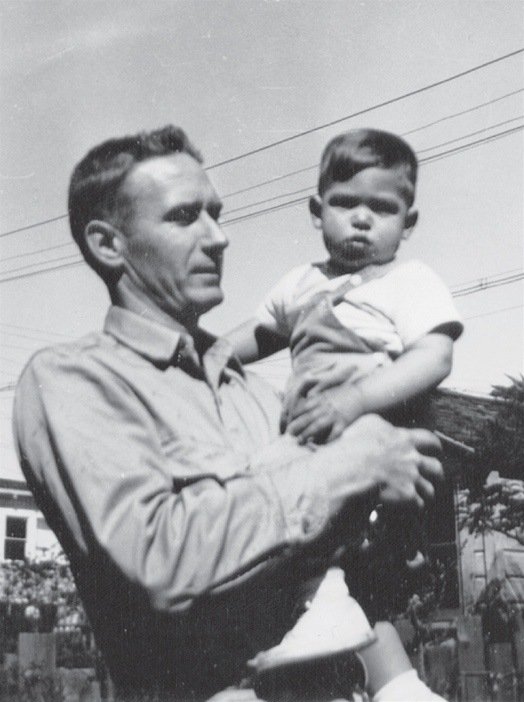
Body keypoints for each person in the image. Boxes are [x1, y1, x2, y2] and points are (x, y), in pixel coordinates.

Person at [14, 125, 445, 702]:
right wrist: (349, 468)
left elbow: (338, 564)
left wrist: (392, 518)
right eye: (185, 216)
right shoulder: (75, 379)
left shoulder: (259, 395)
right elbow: (159, 560)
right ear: (107, 244)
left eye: (216, 213)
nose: (219, 237)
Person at [227, 129, 463, 691]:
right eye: (346, 203)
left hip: (369, 434)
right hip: (311, 436)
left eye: (382, 208)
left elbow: (435, 356)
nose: (362, 219)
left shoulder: (410, 282)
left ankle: (323, 606)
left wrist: (354, 399)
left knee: (266, 500)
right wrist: (206, 353)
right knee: (306, 535)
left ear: (408, 223)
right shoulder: (301, 283)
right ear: (317, 210)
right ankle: (396, 683)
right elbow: (259, 333)